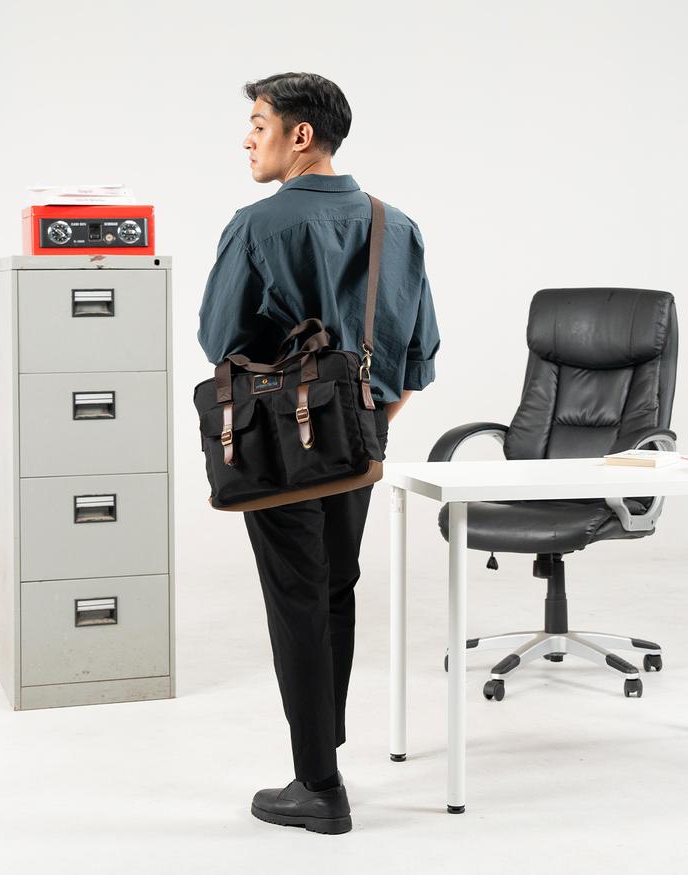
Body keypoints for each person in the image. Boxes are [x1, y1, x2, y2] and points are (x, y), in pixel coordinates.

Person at [197, 72, 440, 834]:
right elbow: (418, 358)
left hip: (279, 444)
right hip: (362, 439)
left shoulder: (256, 226)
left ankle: (318, 785)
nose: (247, 139)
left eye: (258, 123)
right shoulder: (397, 226)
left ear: (301, 135)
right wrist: (368, 424)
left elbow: (218, 339)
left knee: (296, 598)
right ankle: (323, 751)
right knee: (336, 587)